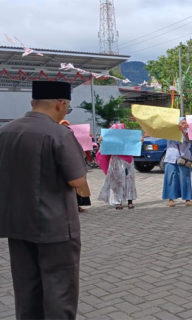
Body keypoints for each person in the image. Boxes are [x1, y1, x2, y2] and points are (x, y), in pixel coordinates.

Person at [0, 81, 88, 319]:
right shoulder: (59, 133)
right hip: (56, 228)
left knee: (26, 291)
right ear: (61, 104)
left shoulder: (5, 132)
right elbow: (77, 180)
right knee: (60, 293)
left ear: (32, 103)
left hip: (17, 226)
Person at [98, 123, 137, 209]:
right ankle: (118, 201)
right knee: (117, 181)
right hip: (116, 162)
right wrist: (101, 140)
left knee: (129, 181)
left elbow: (135, 143)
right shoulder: (111, 139)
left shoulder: (127, 138)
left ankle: (130, 201)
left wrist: (139, 140)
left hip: (128, 161)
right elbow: (104, 148)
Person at [60, 119, 92, 213]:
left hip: (75, 165)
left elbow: (82, 151)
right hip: (64, 166)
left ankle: (77, 206)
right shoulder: (59, 137)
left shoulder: (73, 138)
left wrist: (87, 138)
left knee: (77, 188)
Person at [162, 120, 192, 207]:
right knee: (170, 178)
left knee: (185, 178)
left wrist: (183, 130)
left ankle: (187, 198)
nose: (183, 124)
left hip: (184, 157)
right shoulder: (170, 131)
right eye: (181, 123)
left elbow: (190, 140)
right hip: (171, 157)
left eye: (184, 123)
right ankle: (171, 199)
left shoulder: (189, 131)